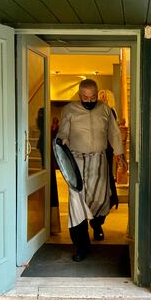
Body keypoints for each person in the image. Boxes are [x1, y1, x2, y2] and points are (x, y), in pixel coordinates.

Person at [57, 79, 127, 262]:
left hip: (99, 161)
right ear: (80, 95)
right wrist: (62, 139)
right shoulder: (69, 110)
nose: (89, 101)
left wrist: (120, 155)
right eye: (85, 97)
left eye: (93, 97)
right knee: (76, 203)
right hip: (76, 162)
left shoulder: (105, 110)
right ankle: (81, 246)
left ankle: (97, 224)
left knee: (100, 200)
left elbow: (114, 132)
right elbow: (63, 131)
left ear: (97, 94)